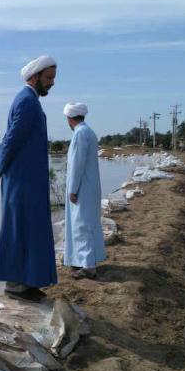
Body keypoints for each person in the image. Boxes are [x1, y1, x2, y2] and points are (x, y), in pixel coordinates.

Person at [0, 55, 58, 302]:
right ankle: (17, 286)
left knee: (31, 229)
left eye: (52, 78)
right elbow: (12, 137)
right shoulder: (27, 101)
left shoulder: (30, 100)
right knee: (20, 229)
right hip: (22, 182)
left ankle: (28, 282)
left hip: (28, 181)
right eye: (48, 78)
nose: (51, 83)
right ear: (35, 76)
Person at [63, 102, 106, 279]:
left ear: (69, 118)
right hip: (90, 186)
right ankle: (86, 260)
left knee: (81, 225)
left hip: (82, 187)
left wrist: (73, 189)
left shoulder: (80, 134)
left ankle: (88, 266)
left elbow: (76, 164)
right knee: (89, 223)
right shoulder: (88, 132)